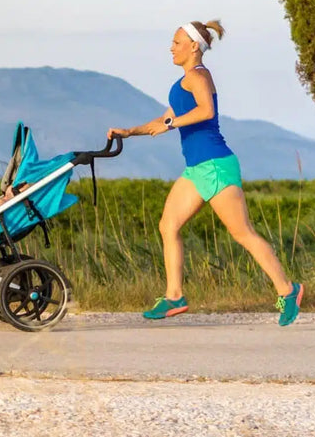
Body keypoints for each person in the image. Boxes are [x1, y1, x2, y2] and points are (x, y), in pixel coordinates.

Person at [106, 20, 304, 326]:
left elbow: (205, 112)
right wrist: (131, 131)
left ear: (194, 46)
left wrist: (171, 124)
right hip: (197, 168)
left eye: (176, 42)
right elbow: (167, 118)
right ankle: (174, 296)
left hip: (215, 165)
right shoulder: (181, 83)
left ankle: (288, 291)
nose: (171, 48)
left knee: (243, 233)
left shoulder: (200, 75)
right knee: (168, 225)